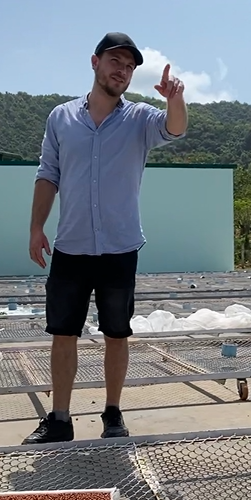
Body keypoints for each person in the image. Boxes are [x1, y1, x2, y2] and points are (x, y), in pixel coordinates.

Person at [23, 32, 187, 444]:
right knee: (63, 332)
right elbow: (48, 174)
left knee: (117, 333)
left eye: (130, 66)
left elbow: (175, 127)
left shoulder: (139, 119)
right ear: (95, 62)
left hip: (119, 247)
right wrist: (36, 227)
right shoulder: (61, 118)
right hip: (71, 246)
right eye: (116, 61)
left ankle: (113, 414)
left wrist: (174, 99)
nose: (123, 70)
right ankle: (60, 418)